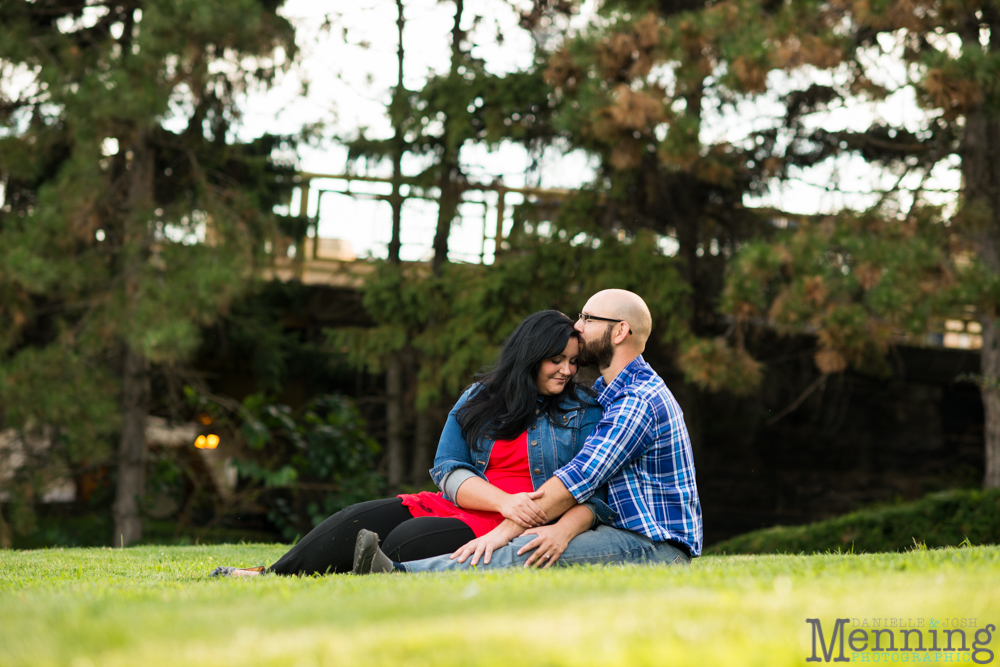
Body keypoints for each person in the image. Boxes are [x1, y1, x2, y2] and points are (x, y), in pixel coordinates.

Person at [210, 310, 608, 577]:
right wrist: (502, 499)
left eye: (573, 362)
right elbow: (448, 467)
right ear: (530, 356)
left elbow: (586, 487)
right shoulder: (480, 397)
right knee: (358, 517)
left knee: (405, 541)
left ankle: (370, 571)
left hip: (513, 525)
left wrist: (514, 513)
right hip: (469, 503)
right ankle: (272, 575)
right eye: (557, 359)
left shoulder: (584, 409)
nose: (566, 370)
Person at [352, 289, 702, 575]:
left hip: (655, 547)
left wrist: (501, 533)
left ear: (620, 331)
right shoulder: (616, 394)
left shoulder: (636, 401)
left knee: (526, 550)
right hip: (623, 532)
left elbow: (576, 480)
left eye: (588, 318)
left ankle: (400, 574)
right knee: (533, 544)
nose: (578, 327)